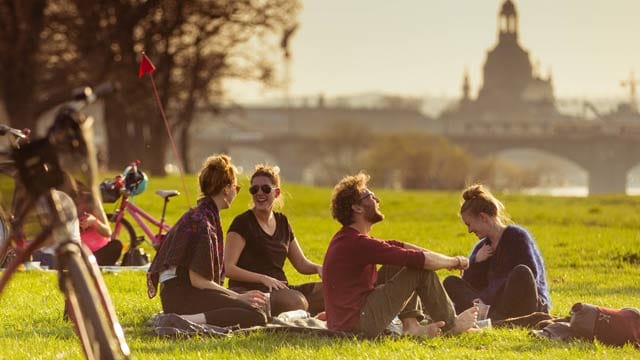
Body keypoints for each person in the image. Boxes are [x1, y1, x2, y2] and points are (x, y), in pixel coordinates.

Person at [323, 172, 478, 338]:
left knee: (396, 264)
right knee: (418, 270)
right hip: (357, 324)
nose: (377, 200)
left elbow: (401, 247)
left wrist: (449, 261)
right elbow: (420, 260)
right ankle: (452, 326)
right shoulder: (357, 243)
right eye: (370, 196)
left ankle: (411, 326)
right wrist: (454, 261)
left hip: (350, 320)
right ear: (357, 208)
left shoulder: (350, 239)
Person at [147, 154, 268, 328]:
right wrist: (237, 297)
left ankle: (181, 318)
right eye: (236, 187)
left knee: (251, 310)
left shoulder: (201, 214)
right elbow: (199, 281)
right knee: (256, 316)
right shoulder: (203, 222)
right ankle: (180, 320)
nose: (236, 192)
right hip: (182, 296)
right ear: (226, 188)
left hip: (178, 293)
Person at [225, 164, 324, 316]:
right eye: (254, 189)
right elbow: (228, 268)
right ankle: (301, 312)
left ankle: (301, 313)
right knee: (296, 302)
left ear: (276, 192)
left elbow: (301, 264)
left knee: (330, 290)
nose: (259, 193)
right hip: (250, 291)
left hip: (280, 289)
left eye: (265, 189)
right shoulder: (243, 223)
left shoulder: (282, 222)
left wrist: (319, 268)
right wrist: (263, 279)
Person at [443, 184, 550, 321]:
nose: (469, 231)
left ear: (483, 217)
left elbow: (530, 277)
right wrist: (475, 263)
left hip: (523, 303)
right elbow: (470, 285)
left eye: (469, 224)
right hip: (492, 305)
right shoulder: (482, 247)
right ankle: (491, 316)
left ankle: (491, 316)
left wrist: (486, 299)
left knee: (522, 272)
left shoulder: (517, 236)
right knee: (451, 281)